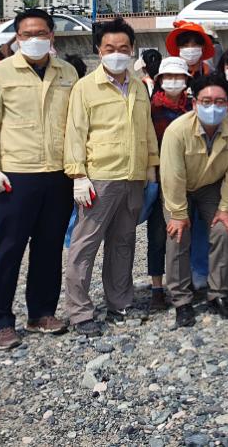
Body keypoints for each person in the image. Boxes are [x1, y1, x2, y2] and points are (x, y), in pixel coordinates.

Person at [0, 9, 79, 350]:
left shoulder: (68, 73)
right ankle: (2, 321)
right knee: (9, 249)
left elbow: (78, 124)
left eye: (41, 32)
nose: (34, 39)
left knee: (49, 248)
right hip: (16, 175)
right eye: (26, 33)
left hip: (57, 173)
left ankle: (42, 312)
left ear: (52, 36)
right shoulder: (0, 74)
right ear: (17, 38)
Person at [64, 18, 160, 337]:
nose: (117, 53)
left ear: (132, 51)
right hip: (99, 176)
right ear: (99, 51)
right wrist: (78, 174)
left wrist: (150, 168)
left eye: (123, 48)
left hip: (132, 177)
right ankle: (79, 312)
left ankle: (119, 303)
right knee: (85, 245)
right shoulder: (85, 87)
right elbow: (75, 132)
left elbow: (145, 130)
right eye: (110, 48)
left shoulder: (137, 86)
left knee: (123, 243)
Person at [161, 74, 228, 326]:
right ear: (194, 103)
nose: (214, 107)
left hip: (211, 186)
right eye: (207, 101)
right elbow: (172, 175)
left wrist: (225, 209)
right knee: (177, 234)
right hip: (179, 188)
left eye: (221, 101)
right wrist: (178, 214)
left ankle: (218, 295)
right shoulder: (176, 131)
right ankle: (181, 300)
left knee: (223, 229)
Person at [145, 56, 193, 312]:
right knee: (157, 233)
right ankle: (156, 287)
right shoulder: (151, 108)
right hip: (160, 177)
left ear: (186, 80)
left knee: (183, 232)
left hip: (187, 176)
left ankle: (182, 283)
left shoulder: (193, 107)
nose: (174, 82)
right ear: (160, 80)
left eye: (179, 77)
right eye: (169, 77)